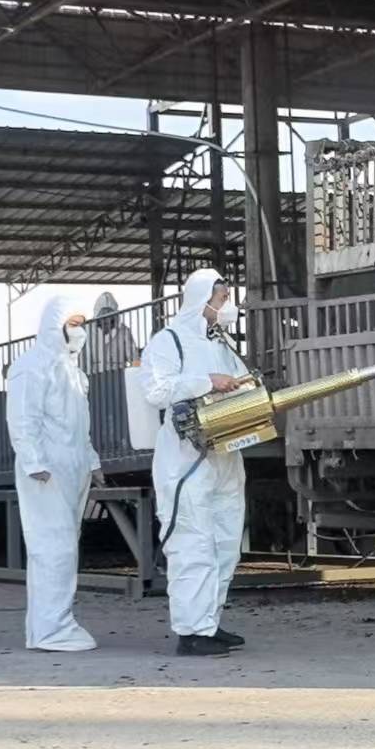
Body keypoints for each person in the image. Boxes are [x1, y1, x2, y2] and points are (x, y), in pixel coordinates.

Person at [142, 269, 249, 657]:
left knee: (225, 543)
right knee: (193, 544)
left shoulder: (222, 345)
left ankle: (209, 622)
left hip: (225, 454)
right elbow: (156, 390)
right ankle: (190, 632)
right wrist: (207, 381)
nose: (226, 306)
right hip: (186, 460)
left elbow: (243, 383)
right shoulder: (168, 341)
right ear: (201, 299)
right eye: (221, 300)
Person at [5, 295, 102, 652]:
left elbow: (81, 427)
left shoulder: (74, 373)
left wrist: (92, 462)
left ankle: (53, 624)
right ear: (54, 326)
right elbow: (22, 419)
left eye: (82, 325)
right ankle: (51, 629)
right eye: (72, 325)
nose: (79, 332)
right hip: (47, 470)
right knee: (52, 548)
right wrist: (35, 463)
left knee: (64, 547)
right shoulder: (31, 366)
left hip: (72, 468)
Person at [84, 291, 139, 372]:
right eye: (103, 314)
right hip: (95, 375)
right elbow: (84, 359)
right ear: (97, 315)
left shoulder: (124, 331)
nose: (106, 317)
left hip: (118, 374)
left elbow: (133, 356)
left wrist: (137, 373)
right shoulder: (87, 331)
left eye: (109, 313)